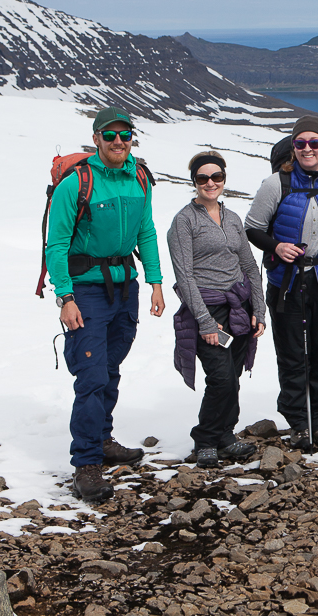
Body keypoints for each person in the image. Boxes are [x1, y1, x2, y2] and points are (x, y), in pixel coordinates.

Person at [45, 106, 165, 503]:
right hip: (86, 291)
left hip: (124, 287)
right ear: (96, 138)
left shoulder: (139, 178)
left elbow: (145, 231)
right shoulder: (76, 184)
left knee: (110, 367)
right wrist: (65, 297)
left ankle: (103, 439)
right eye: (109, 135)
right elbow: (57, 245)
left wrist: (155, 283)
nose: (118, 142)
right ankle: (86, 464)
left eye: (124, 135)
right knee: (92, 375)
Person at [244, 116, 318, 450]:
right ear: (293, 147)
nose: (307, 149)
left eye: (314, 142)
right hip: (288, 282)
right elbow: (253, 228)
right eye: (300, 143)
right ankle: (298, 422)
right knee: (293, 353)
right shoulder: (275, 184)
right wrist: (276, 246)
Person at [168, 151, 268, 468]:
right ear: (194, 181)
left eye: (217, 177)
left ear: (224, 179)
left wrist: (259, 309)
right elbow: (184, 277)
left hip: (239, 306)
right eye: (203, 178)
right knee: (221, 377)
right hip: (207, 310)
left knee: (233, 375)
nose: (210, 183)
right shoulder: (184, 222)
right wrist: (206, 323)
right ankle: (205, 438)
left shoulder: (233, 218)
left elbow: (250, 267)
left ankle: (225, 435)